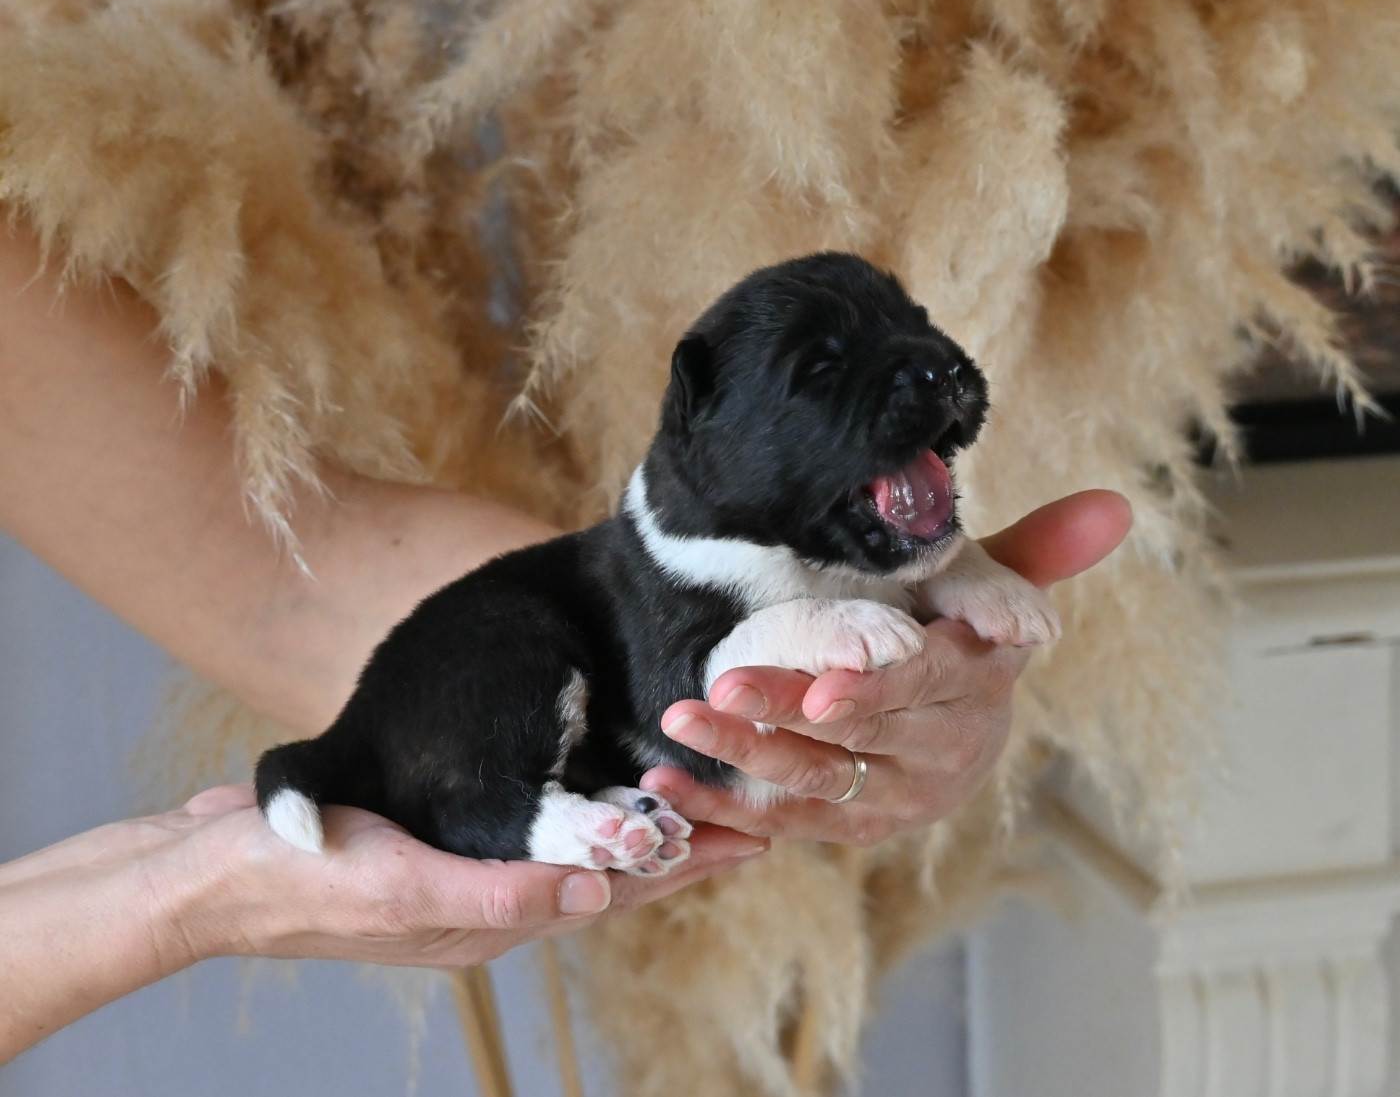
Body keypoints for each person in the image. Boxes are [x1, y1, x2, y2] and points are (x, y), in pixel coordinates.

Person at [0, 220, 1132, 1063]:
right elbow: (710, 675)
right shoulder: (698, 571)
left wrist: (950, 586)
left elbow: (278, 573)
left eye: (910, 322)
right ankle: (522, 814)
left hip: (478, 675)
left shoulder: (701, 548)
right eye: (823, 374)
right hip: (503, 691)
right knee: (515, 662)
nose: (923, 358)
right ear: (707, 422)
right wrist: (173, 900)